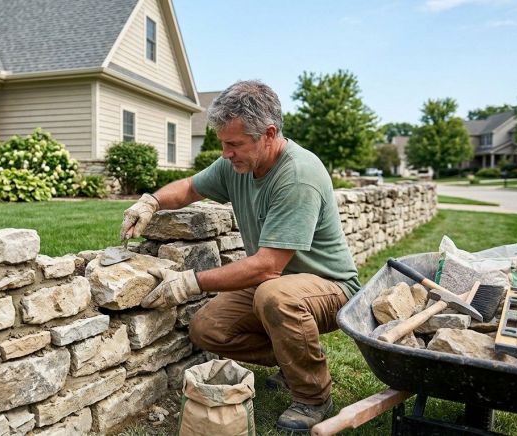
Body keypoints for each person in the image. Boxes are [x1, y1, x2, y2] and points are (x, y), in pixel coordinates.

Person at [120, 80, 360, 433]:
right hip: (277, 283)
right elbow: (189, 188)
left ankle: (313, 397)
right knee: (207, 329)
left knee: (274, 296)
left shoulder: (297, 175)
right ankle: (294, 360)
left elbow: (267, 266)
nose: (226, 153)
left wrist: (188, 283)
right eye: (222, 143)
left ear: (268, 133)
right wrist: (150, 202)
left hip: (330, 286)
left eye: (234, 144)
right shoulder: (236, 166)